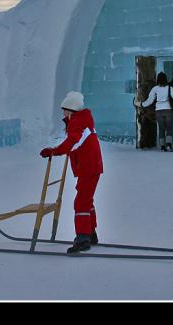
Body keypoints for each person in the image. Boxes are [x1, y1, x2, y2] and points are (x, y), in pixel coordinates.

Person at [39, 91, 103, 254]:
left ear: (71, 110)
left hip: (88, 166)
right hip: (91, 166)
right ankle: (90, 234)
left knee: (81, 202)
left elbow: (72, 142)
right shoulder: (83, 119)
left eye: (64, 110)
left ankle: (83, 239)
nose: (63, 113)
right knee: (86, 199)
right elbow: (76, 142)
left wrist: (54, 151)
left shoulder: (77, 122)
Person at [139, 72, 173, 152]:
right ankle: (169, 145)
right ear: (165, 79)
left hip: (158, 111)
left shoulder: (155, 89)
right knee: (169, 128)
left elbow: (149, 101)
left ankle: (162, 147)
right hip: (168, 110)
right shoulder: (169, 88)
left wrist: (141, 104)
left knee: (161, 128)